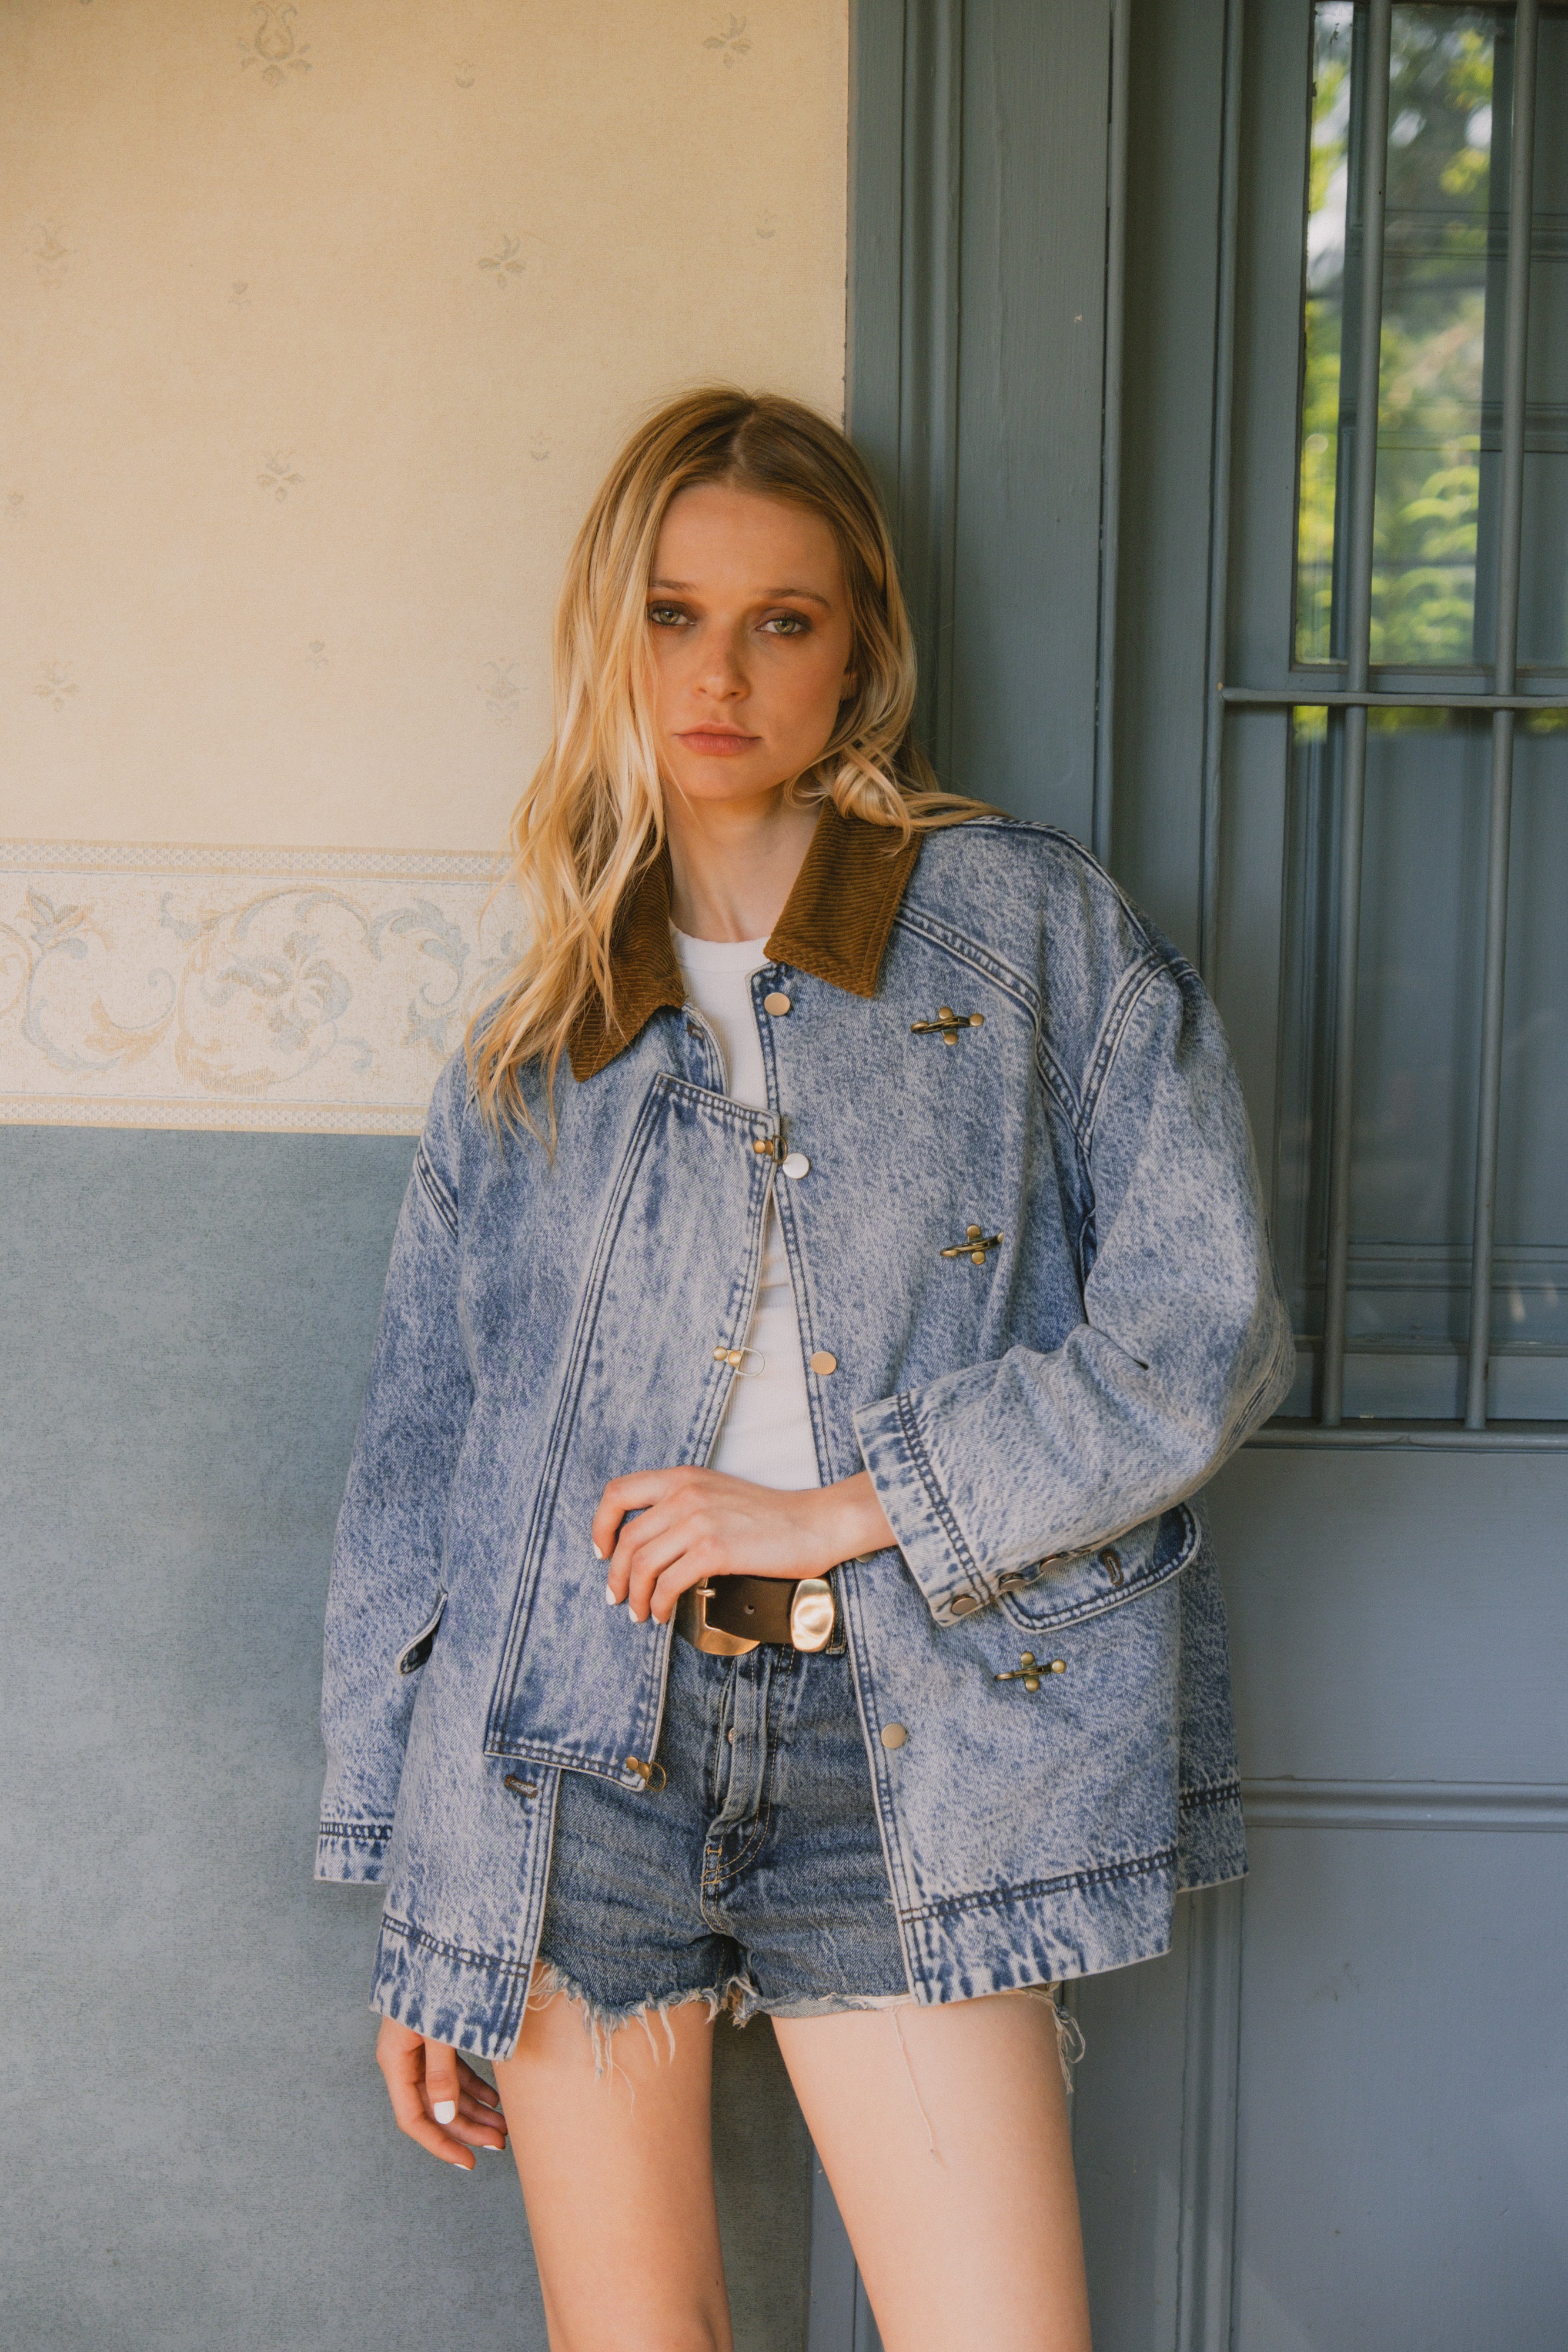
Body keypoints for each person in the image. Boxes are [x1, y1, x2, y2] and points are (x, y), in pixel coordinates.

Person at [316, 386, 1294, 2352]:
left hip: (910, 1735)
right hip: (571, 1757)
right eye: (672, 615)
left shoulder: (1017, 929)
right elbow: (428, 1465)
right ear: (612, 638)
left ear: (860, 651)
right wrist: (423, 1900)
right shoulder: (545, 1021)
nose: (721, 673)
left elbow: (1205, 1332)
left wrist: (847, 1509)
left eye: (783, 620)